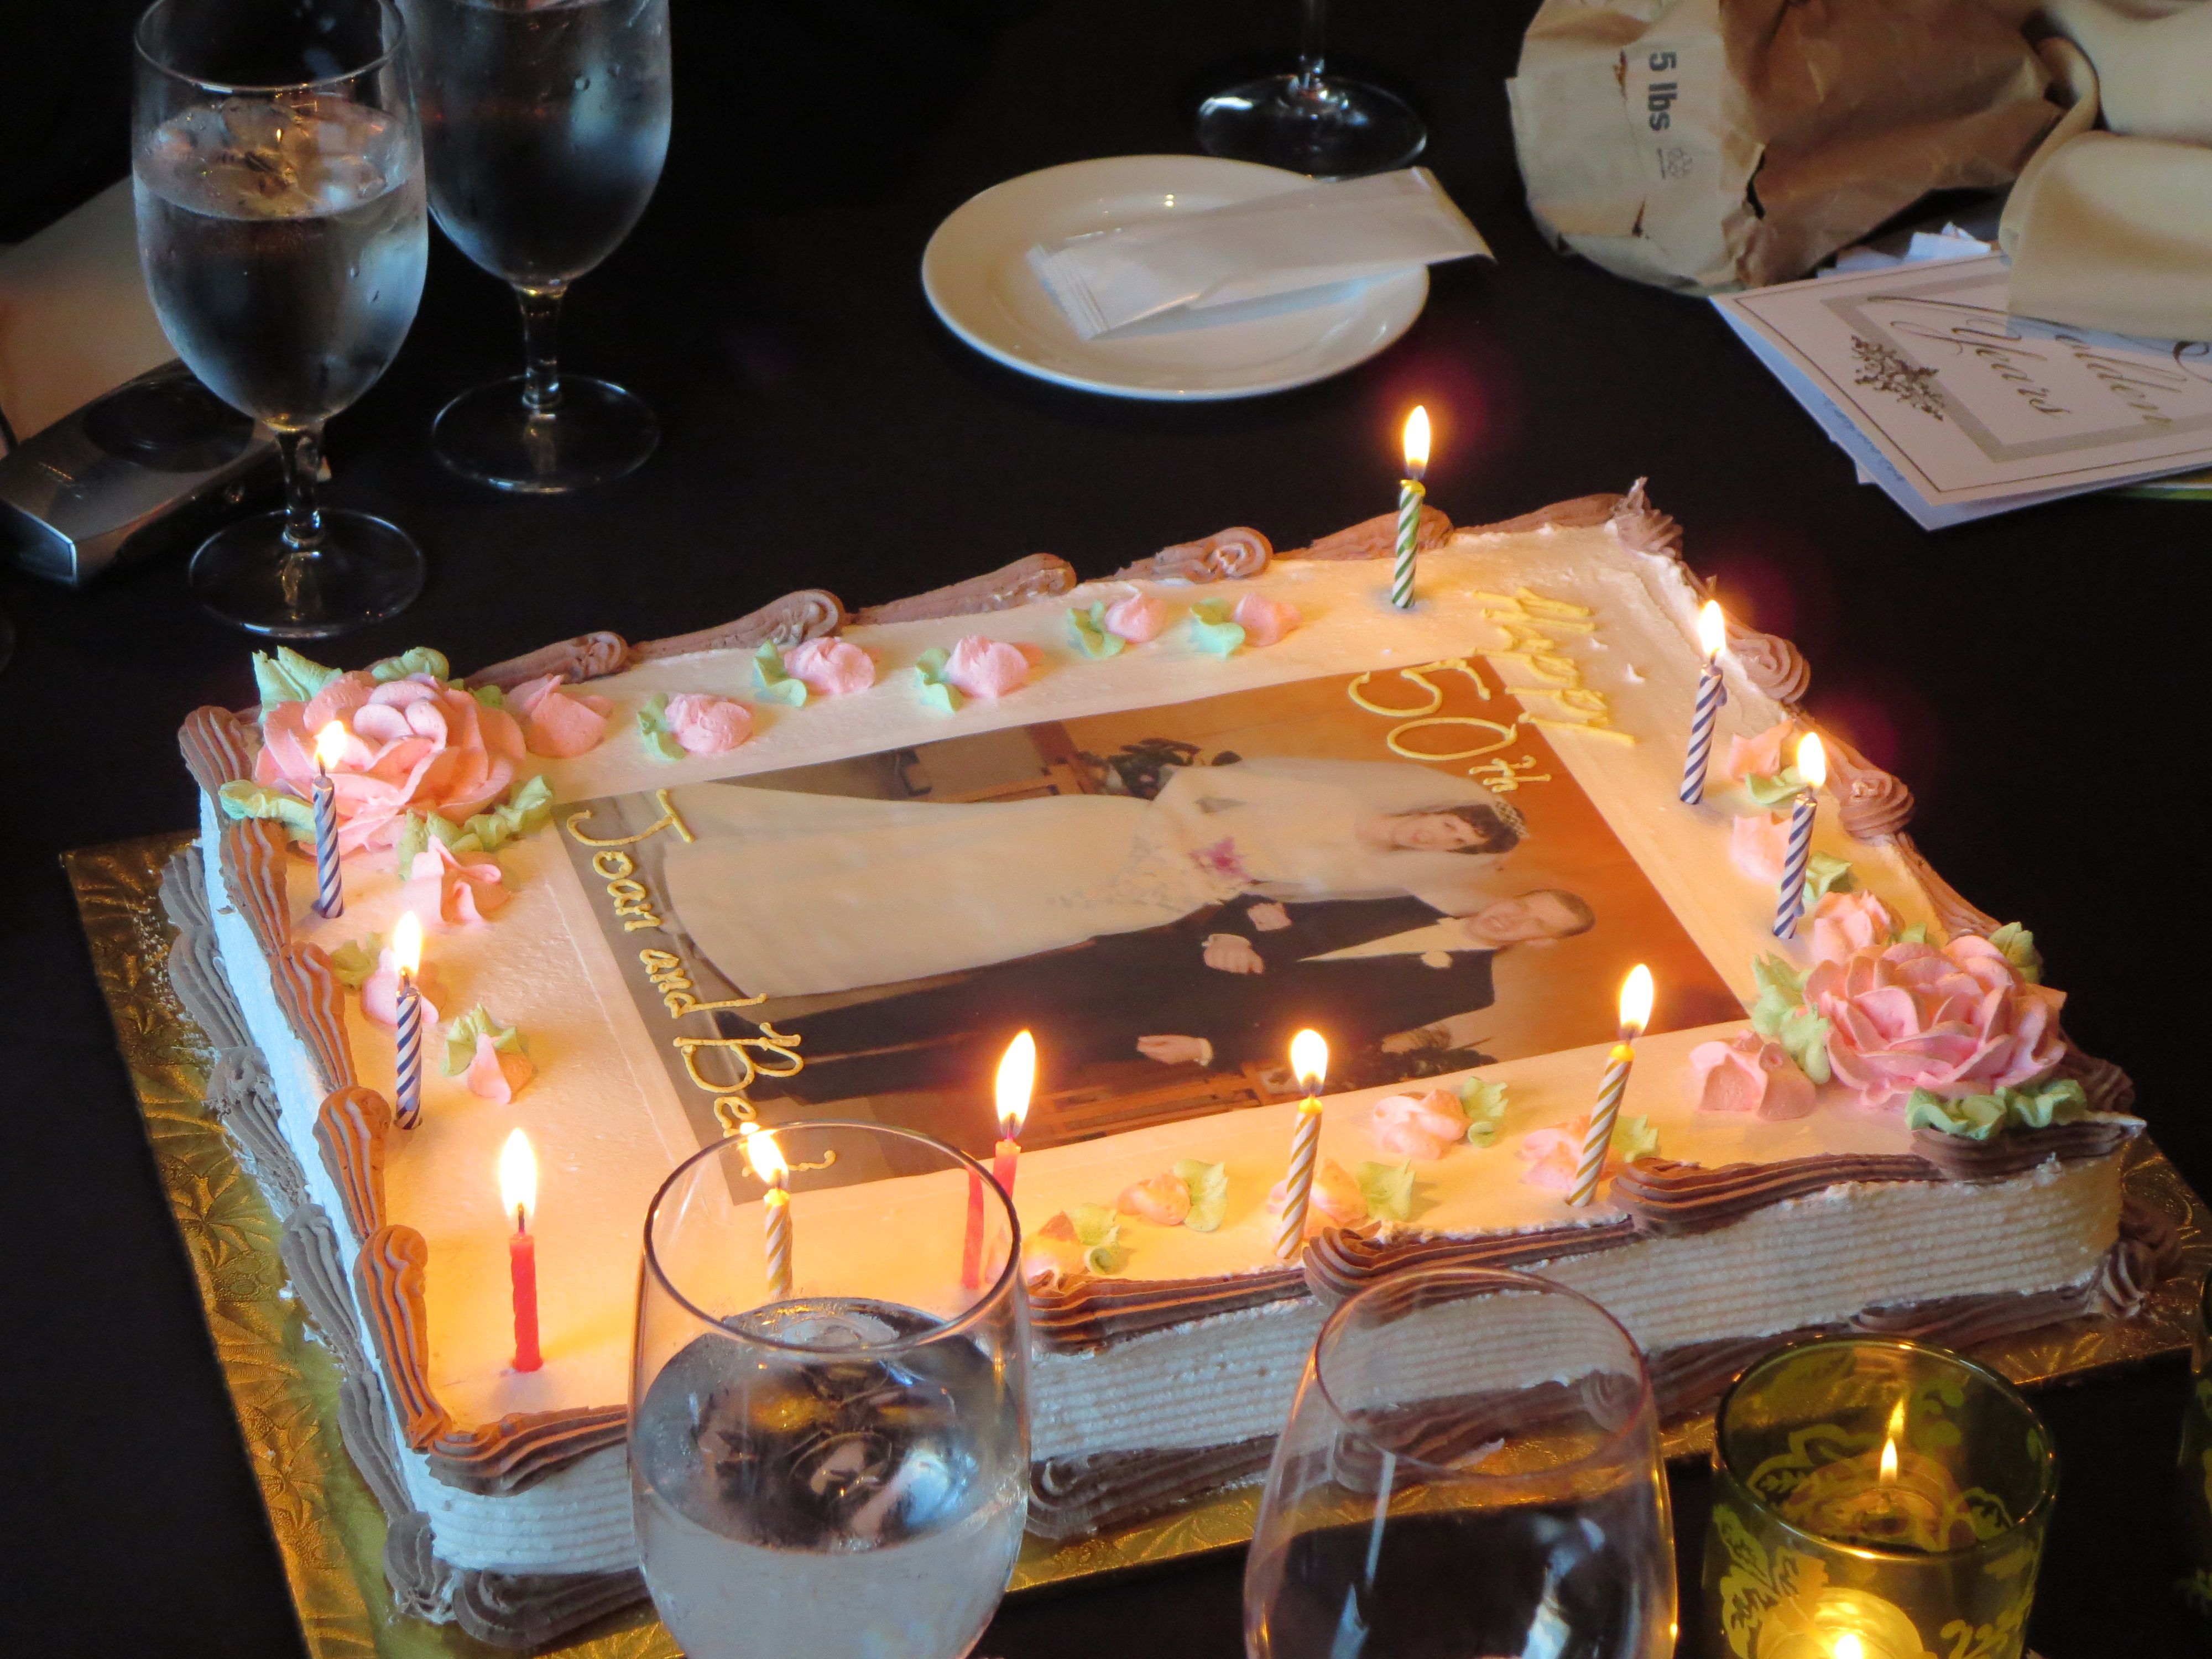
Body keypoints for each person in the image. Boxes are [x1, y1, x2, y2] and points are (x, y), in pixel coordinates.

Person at [660, 757, 1522, 1000]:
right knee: (929, 868)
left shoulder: (1362, 872)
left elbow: (1271, 891)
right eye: (1444, 822)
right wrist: (1186, 843)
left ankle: (754, 952)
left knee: (966, 925)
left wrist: (1232, 896)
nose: (1433, 836)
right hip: (1121, 835)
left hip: (1154, 896)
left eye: (1449, 844)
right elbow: (1195, 786)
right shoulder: (1326, 797)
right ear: (1430, 806)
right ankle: (718, 895)